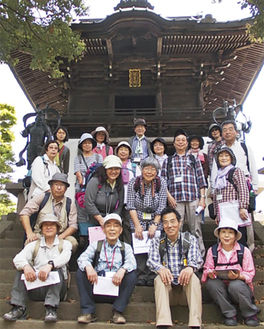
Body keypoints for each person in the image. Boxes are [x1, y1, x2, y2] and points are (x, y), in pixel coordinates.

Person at [2, 214, 72, 323]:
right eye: (45, 225)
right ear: (41, 229)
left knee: (56, 269)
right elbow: (18, 258)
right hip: (35, 286)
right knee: (21, 268)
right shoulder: (33, 245)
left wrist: (50, 265)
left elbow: (65, 257)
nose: (48, 227)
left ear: (58, 228)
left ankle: (51, 309)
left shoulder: (66, 244)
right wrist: (26, 267)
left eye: (52, 225)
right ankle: (18, 307)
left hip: (57, 289)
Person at [147, 207, 203, 329]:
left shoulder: (189, 239)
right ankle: (163, 322)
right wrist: (161, 269)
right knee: (159, 278)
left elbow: (197, 259)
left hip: (185, 291)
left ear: (179, 222)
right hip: (168, 292)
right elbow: (151, 260)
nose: (169, 225)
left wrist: (190, 267)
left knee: (193, 277)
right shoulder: (157, 241)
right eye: (165, 222)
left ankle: (195, 323)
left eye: (173, 221)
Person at [76, 213, 137, 324]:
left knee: (132, 275)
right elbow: (81, 259)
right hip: (97, 287)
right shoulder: (96, 245)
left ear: (121, 230)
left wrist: (122, 270)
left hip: (116, 288)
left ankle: (118, 311)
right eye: (108, 226)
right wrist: (88, 267)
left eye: (116, 226)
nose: (112, 229)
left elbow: (132, 263)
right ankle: (88, 312)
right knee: (81, 272)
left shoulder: (126, 247)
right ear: (103, 230)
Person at [210, 120, 258, 251]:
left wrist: (254, 188)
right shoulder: (219, 151)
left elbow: (252, 167)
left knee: (244, 226)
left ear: (236, 132)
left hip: (243, 189)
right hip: (224, 197)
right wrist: (213, 190)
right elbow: (215, 172)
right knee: (226, 228)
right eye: (224, 130)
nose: (227, 132)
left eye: (230, 129)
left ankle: (247, 252)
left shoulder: (244, 147)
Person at [202, 218, 259, 327]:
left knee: (235, 284)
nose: (226, 236)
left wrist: (239, 276)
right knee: (212, 284)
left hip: (240, 288)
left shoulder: (244, 251)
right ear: (219, 235)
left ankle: (249, 314)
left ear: (235, 236)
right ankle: (229, 314)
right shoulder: (212, 251)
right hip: (221, 288)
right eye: (223, 232)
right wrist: (210, 273)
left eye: (230, 233)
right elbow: (207, 269)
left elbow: (250, 273)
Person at [161, 129, 207, 257]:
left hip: (193, 198)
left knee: (196, 229)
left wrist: (202, 199)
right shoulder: (168, 161)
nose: (180, 143)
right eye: (178, 141)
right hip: (176, 200)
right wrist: (169, 197)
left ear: (186, 143)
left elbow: (201, 181)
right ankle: (176, 257)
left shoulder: (194, 159)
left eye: (183, 140)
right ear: (174, 144)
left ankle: (199, 258)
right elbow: (163, 182)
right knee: (175, 229)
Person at [126, 157, 167, 286]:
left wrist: (155, 224)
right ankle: (141, 273)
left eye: (153, 169)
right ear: (141, 169)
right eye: (147, 168)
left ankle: (152, 273)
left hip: (155, 218)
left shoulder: (161, 183)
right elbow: (131, 205)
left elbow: (162, 206)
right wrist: (137, 225)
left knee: (154, 245)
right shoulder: (134, 182)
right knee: (139, 246)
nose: (149, 172)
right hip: (138, 217)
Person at [20, 172, 78, 252]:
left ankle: (64, 263)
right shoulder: (42, 197)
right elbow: (24, 213)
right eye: (56, 184)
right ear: (51, 186)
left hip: (60, 236)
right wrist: (29, 232)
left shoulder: (70, 203)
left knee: (73, 242)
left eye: (62, 185)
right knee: (29, 243)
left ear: (66, 188)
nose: (59, 188)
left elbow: (73, 226)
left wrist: (60, 237)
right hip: (41, 235)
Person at [213, 147, 250, 246]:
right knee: (225, 240)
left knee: (239, 238)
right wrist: (217, 213)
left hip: (236, 212)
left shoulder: (236, 171)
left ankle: (242, 259)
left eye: (226, 155)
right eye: (221, 156)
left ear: (231, 158)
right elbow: (216, 196)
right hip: (224, 214)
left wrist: (243, 207)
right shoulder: (219, 175)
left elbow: (243, 189)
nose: (223, 158)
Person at [84, 155, 124, 233]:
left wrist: (112, 220)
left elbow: (120, 204)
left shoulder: (119, 183)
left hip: (110, 223)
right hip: (93, 221)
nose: (113, 171)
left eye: (116, 169)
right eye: (110, 168)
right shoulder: (95, 181)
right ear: (105, 169)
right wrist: (101, 219)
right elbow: (89, 202)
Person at [74, 133, 103, 240]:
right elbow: (77, 172)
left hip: (95, 186)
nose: (87, 145)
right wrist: (83, 183)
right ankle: (83, 234)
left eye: (89, 143)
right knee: (82, 210)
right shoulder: (78, 158)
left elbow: (101, 171)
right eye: (84, 143)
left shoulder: (98, 157)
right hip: (81, 188)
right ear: (81, 145)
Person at [115, 141, 141, 244]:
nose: (123, 152)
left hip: (130, 201)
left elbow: (139, 183)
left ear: (129, 152)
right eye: (121, 149)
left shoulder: (134, 166)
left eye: (126, 150)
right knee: (115, 224)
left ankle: (126, 248)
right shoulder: (114, 165)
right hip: (116, 201)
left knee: (127, 225)